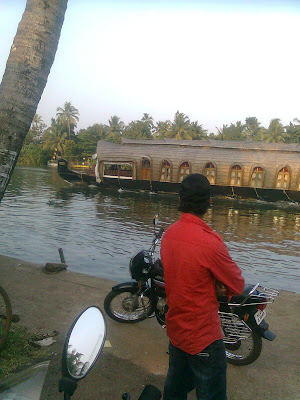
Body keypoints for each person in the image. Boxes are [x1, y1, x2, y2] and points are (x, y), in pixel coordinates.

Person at [160, 173, 245, 400]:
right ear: (209, 201)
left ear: (180, 200)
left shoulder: (169, 235)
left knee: (175, 390)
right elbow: (237, 285)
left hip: (176, 330)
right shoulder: (211, 243)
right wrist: (218, 286)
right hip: (203, 337)